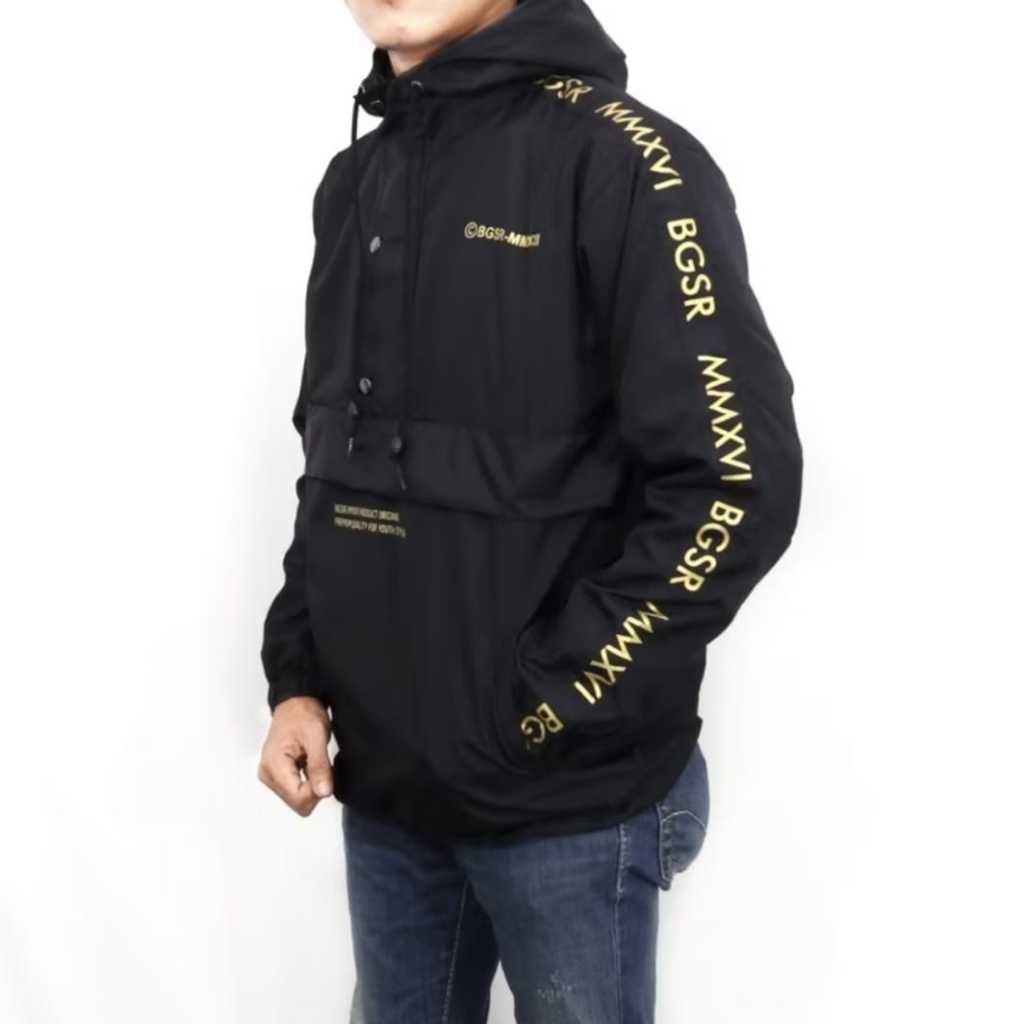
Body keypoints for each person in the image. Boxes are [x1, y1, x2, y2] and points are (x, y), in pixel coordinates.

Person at [257, 0, 803, 1019]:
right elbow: (336, 461)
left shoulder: (625, 162)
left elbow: (737, 480)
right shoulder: (355, 181)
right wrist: (299, 681)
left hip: (565, 802)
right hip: (386, 790)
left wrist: (550, 701)